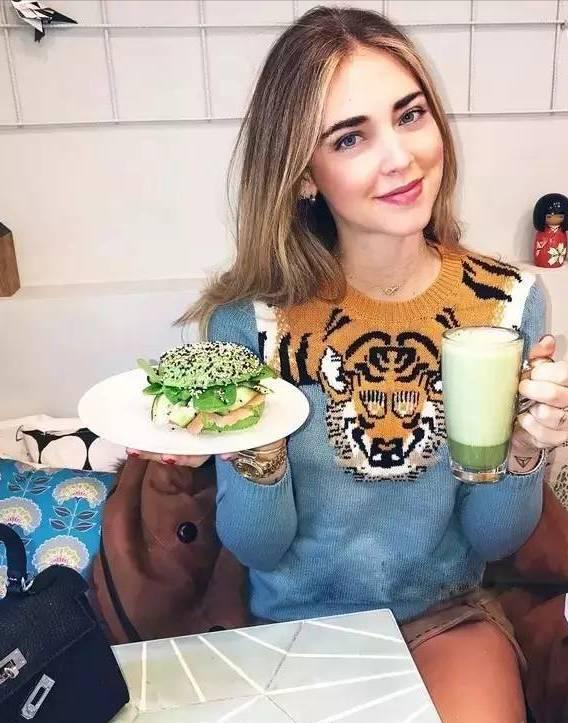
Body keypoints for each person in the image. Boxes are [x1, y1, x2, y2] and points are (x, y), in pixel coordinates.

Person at [129, 7, 568, 721]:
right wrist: (250, 444)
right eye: (350, 137)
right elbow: (259, 548)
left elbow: (495, 538)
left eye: (410, 115)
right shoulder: (251, 323)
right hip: (294, 626)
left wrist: (523, 450)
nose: (400, 157)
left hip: (445, 614)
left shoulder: (506, 303)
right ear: (305, 173)